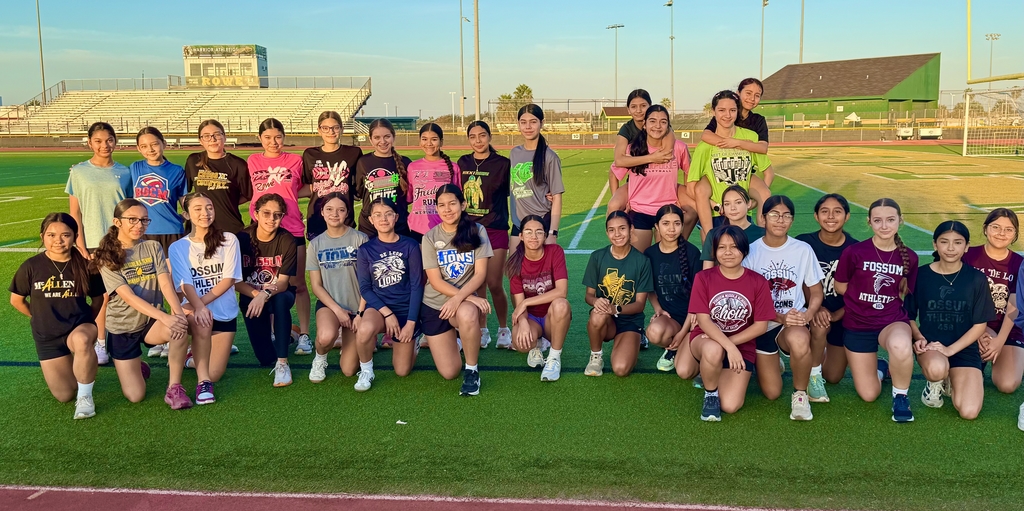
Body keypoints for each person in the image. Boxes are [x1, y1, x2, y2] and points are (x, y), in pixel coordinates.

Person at [90, 199, 190, 408]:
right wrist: (165, 316)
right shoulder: (106, 256)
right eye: (132, 220)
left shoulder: (152, 246)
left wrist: (177, 314)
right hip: (123, 327)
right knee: (136, 395)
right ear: (117, 222)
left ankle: (174, 388)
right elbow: (128, 297)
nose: (139, 225)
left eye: (144, 220)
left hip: (150, 321)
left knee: (179, 327)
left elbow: (165, 283)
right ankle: (137, 365)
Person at [9, 214, 104, 419]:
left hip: (79, 326)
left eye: (65, 235)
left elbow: (97, 300)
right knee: (64, 395)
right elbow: (16, 301)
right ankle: (80, 363)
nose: (58, 240)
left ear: (75, 236)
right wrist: (39, 317)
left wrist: (88, 321)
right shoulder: (31, 266)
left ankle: (85, 397)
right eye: (51, 235)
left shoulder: (86, 266)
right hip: (48, 336)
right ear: (42, 236)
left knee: (82, 340)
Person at [835, 198, 919, 422]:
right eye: (878, 220)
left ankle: (900, 397)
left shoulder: (909, 257)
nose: (884, 226)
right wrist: (864, 300)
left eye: (890, 220)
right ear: (869, 222)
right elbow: (840, 286)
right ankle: (882, 368)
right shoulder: (854, 252)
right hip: (857, 324)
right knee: (869, 394)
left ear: (900, 221)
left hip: (890, 322)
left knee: (900, 344)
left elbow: (905, 292)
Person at [743, 196, 824, 421]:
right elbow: (749, 301)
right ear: (763, 218)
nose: (780, 220)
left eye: (786, 215)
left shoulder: (802, 250)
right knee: (771, 392)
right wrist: (780, 316)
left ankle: (800, 395)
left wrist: (807, 315)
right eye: (774, 215)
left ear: (792, 220)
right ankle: (774, 360)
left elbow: (816, 292)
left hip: (792, 323)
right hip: (763, 325)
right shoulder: (750, 252)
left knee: (799, 339)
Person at [688, 225, 775, 421]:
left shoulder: (758, 281)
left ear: (744, 250)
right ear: (715, 251)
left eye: (734, 247)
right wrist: (727, 346)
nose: (728, 252)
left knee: (730, 405)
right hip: (706, 339)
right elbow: (703, 319)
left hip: (741, 346)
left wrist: (732, 345)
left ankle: (715, 372)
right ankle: (710, 393)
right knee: (713, 351)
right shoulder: (703, 278)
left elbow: (761, 326)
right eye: (721, 247)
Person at [910, 221, 995, 420]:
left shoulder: (976, 278)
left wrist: (950, 350)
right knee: (937, 368)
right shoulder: (920, 275)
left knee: (969, 411)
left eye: (957, 242)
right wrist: (919, 337)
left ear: (966, 247)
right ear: (934, 245)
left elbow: (980, 324)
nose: (950, 248)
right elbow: (907, 315)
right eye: (944, 242)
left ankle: (950, 379)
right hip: (931, 347)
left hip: (963, 349)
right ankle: (935, 381)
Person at [66, 121, 133, 366]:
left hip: (120, 242)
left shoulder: (125, 172)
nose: (104, 145)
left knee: (126, 293)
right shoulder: (79, 171)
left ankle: (128, 341)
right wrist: (81, 244)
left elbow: (131, 208)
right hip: (92, 242)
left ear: (116, 141)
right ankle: (101, 343)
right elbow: (75, 212)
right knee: (102, 296)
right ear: (89, 142)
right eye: (98, 141)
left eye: (109, 140)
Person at [420, 185, 493, 396]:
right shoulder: (430, 238)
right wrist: (465, 297)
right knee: (450, 372)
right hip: (435, 305)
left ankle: (472, 370)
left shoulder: (477, 231)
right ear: (436, 208)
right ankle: (458, 340)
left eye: (452, 203)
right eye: (441, 205)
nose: (447, 209)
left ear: (463, 204)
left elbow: (480, 275)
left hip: (462, 304)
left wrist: (460, 299)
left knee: (469, 313)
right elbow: (435, 281)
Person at [247, 118, 312, 356]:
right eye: (267, 137)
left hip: (292, 227)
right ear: (260, 138)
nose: (273, 142)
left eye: (278, 137)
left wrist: (291, 196)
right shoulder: (253, 161)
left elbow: (307, 187)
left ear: (284, 137)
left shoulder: (295, 160)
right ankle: (275, 331)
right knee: (267, 283)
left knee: (297, 283)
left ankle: (304, 334)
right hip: (262, 231)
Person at [169, 193, 241, 403]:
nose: (205, 213)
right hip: (194, 312)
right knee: (190, 322)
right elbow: (185, 283)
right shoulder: (178, 247)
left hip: (222, 315)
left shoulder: (229, 240)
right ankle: (188, 369)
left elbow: (228, 279)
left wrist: (201, 305)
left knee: (216, 373)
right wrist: (198, 308)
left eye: (209, 207)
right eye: (198, 208)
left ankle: (191, 357)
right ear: (186, 214)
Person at [352, 198, 424, 391]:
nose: (383, 219)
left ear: (396, 217)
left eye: (388, 214)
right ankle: (366, 370)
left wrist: (410, 322)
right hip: (379, 307)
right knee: (365, 329)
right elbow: (365, 288)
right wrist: (387, 313)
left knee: (402, 371)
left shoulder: (410, 246)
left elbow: (417, 285)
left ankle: (414, 340)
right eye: (377, 215)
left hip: (404, 309)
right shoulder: (366, 249)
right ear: (371, 220)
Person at [795, 194, 858, 401]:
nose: (831, 216)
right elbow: (798, 280)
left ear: (847, 216)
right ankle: (813, 376)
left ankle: (879, 367)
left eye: (837, 211)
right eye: (825, 211)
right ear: (815, 216)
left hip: (842, 314)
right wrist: (815, 306)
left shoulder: (856, 249)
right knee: (819, 325)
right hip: (811, 311)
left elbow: (860, 292)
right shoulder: (803, 243)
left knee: (833, 376)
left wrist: (839, 314)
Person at [608, 105, 696, 250]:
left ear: (668, 125)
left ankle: (681, 247)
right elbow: (614, 173)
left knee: (665, 259)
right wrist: (621, 198)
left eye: (663, 122)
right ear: (644, 124)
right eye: (652, 121)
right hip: (639, 210)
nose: (657, 126)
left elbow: (689, 171)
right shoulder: (633, 148)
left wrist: (683, 194)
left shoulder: (678, 147)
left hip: (667, 211)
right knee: (638, 260)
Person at [687, 90, 773, 239]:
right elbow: (692, 187)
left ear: (738, 111)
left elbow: (767, 170)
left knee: (750, 254)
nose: (727, 115)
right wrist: (715, 205)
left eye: (732, 110)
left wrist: (753, 202)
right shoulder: (705, 145)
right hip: (715, 214)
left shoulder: (750, 137)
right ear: (713, 111)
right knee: (715, 255)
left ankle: (764, 239)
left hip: (742, 215)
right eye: (721, 110)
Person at [457, 121, 512, 349]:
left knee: (493, 282)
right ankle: (482, 329)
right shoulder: (463, 162)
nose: (477, 140)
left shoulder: (503, 163)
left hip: (495, 228)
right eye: (473, 136)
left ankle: (503, 328)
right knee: (476, 284)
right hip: (470, 229)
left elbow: (516, 191)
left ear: (489, 137)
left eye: (482, 135)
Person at [235, 194, 298, 387]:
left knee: (279, 302)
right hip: (250, 296)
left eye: (277, 215)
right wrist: (256, 295)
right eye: (267, 213)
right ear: (255, 214)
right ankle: (290, 335)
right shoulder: (241, 239)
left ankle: (283, 364)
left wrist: (265, 294)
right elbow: (235, 281)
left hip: (278, 294)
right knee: (264, 357)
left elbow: (284, 283)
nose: (272, 219)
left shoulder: (287, 240)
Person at [583, 211, 654, 377]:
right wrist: (596, 302)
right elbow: (589, 296)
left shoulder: (642, 261)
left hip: (629, 320)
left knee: (621, 369)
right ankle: (596, 356)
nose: (617, 234)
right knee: (597, 314)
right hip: (605, 320)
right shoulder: (597, 257)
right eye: (612, 230)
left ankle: (633, 342)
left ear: (631, 230)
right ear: (607, 233)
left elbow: (640, 304)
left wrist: (615, 309)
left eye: (622, 228)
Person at [307, 193, 368, 384]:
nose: (335, 214)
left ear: (347, 213)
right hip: (331, 306)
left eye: (341, 210)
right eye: (330, 210)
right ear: (322, 213)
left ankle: (354, 342)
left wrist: (359, 312)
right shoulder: (316, 244)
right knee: (326, 337)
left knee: (349, 370)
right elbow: (316, 286)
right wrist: (338, 310)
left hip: (358, 307)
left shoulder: (360, 239)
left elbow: (368, 281)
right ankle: (320, 358)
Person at [962, 208, 1022, 394]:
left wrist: (1000, 340)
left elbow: (1015, 304)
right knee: (965, 382)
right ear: (985, 228)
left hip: (1007, 329)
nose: (1001, 233)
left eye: (1008, 229)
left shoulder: (1019, 263)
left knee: (1007, 384)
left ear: (1015, 235)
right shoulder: (968, 256)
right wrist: (981, 330)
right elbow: (961, 297)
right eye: (995, 227)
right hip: (972, 324)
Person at [506, 215, 571, 382]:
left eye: (538, 232)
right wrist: (524, 322)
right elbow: (519, 304)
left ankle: (554, 357)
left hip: (552, 318)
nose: (533, 237)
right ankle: (536, 345)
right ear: (521, 236)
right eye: (528, 232)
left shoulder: (555, 252)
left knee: (561, 304)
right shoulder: (514, 263)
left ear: (544, 235)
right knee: (520, 342)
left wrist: (527, 302)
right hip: (533, 318)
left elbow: (561, 291)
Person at [643, 205, 701, 377]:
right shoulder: (650, 254)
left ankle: (689, 347)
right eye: (666, 223)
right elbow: (649, 288)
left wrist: (684, 331)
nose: (671, 229)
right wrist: (658, 308)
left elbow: (699, 296)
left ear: (682, 226)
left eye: (676, 223)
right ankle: (676, 347)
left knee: (684, 372)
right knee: (654, 332)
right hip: (672, 319)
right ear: (657, 227)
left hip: (695, 319)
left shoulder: (692, 253)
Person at [607, 89, 682, 216]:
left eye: (643, 106)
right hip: (637, 180)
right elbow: (619, 161)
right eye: (634, 107)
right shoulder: (627, 129)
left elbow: (667, 151)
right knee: (614, 205)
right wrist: (651, 158)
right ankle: (615, 229)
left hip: (661, 182)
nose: (638, 110)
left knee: (691, 206)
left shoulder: (660, 126)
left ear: (650, 106)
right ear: (628, 110)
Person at [510, 104, 564, 252]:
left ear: (542, 123)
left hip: (541, 224)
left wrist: (552, 232)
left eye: (533, 122)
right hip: (518, 224)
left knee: (540, 274)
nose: (528, 126)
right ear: (518, 124)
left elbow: (557, 196)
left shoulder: (549, 156)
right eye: (523, 122)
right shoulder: (514, 153)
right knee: (515, 272)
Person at [184, 119, 252, 234]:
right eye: (206, 136)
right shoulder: (194, 161)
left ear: (224, 137)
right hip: (201, 227)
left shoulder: (237, 164)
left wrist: (228, 201)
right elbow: (184, 191)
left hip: (229, 226)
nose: (212, 139)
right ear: (200, 140)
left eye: (217, 134)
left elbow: (248, 194)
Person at [700, 79, 772, 186]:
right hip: (720, 171)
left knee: (762, 191)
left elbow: (762, 148)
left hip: (744, 173)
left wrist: (738, 143)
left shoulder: (758, 120)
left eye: (757, 95)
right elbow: (706, 135)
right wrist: (732, 145)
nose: (752, 98)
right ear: (738, 93)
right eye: (748, 93)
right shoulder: (726, 117)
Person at [303, 111, 362, 238]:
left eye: (335, 127)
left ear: (342, 129)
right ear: (319, 130)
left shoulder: (354, 153)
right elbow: (309, 185)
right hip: (317, 218)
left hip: (344, 218)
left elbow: (358, 183)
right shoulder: (310, 154)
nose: (331, 132)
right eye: (325, 128)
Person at [131, 127, 187, 255]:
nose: (150, 150)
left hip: (171, 231)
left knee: (172, 272)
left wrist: (186, 215)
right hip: (142, 231)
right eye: (144, 146)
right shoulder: (135, 167)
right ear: (139, 148)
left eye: (154, 144)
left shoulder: (177, 171)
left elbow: (184, 200)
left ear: (164, 144)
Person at [354, 119, 412, 238]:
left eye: (387, 136)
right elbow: (359, 193)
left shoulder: (405, 162)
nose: (382, 141)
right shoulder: (363, 162)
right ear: (370, 139)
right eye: (377, 137)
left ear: (393, 137)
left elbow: (409, 197)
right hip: (369, 228)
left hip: (398, 226)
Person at [408, 123, 460, 242]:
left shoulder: (453, 168)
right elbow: (409, 197)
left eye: (434, 139)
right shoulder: (412, 167)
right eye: (424, 139)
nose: (429, 143)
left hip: (446, 227)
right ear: (419, 141)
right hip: (418, 229)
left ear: (441, 142)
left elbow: (457, 200)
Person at [700, 185, 764, 269]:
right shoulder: (713, 234)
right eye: (727, 204)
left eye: (738, 202)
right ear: (723, 207)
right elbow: (707, 272)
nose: (733, 208)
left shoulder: (763, 234)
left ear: (749, 204)